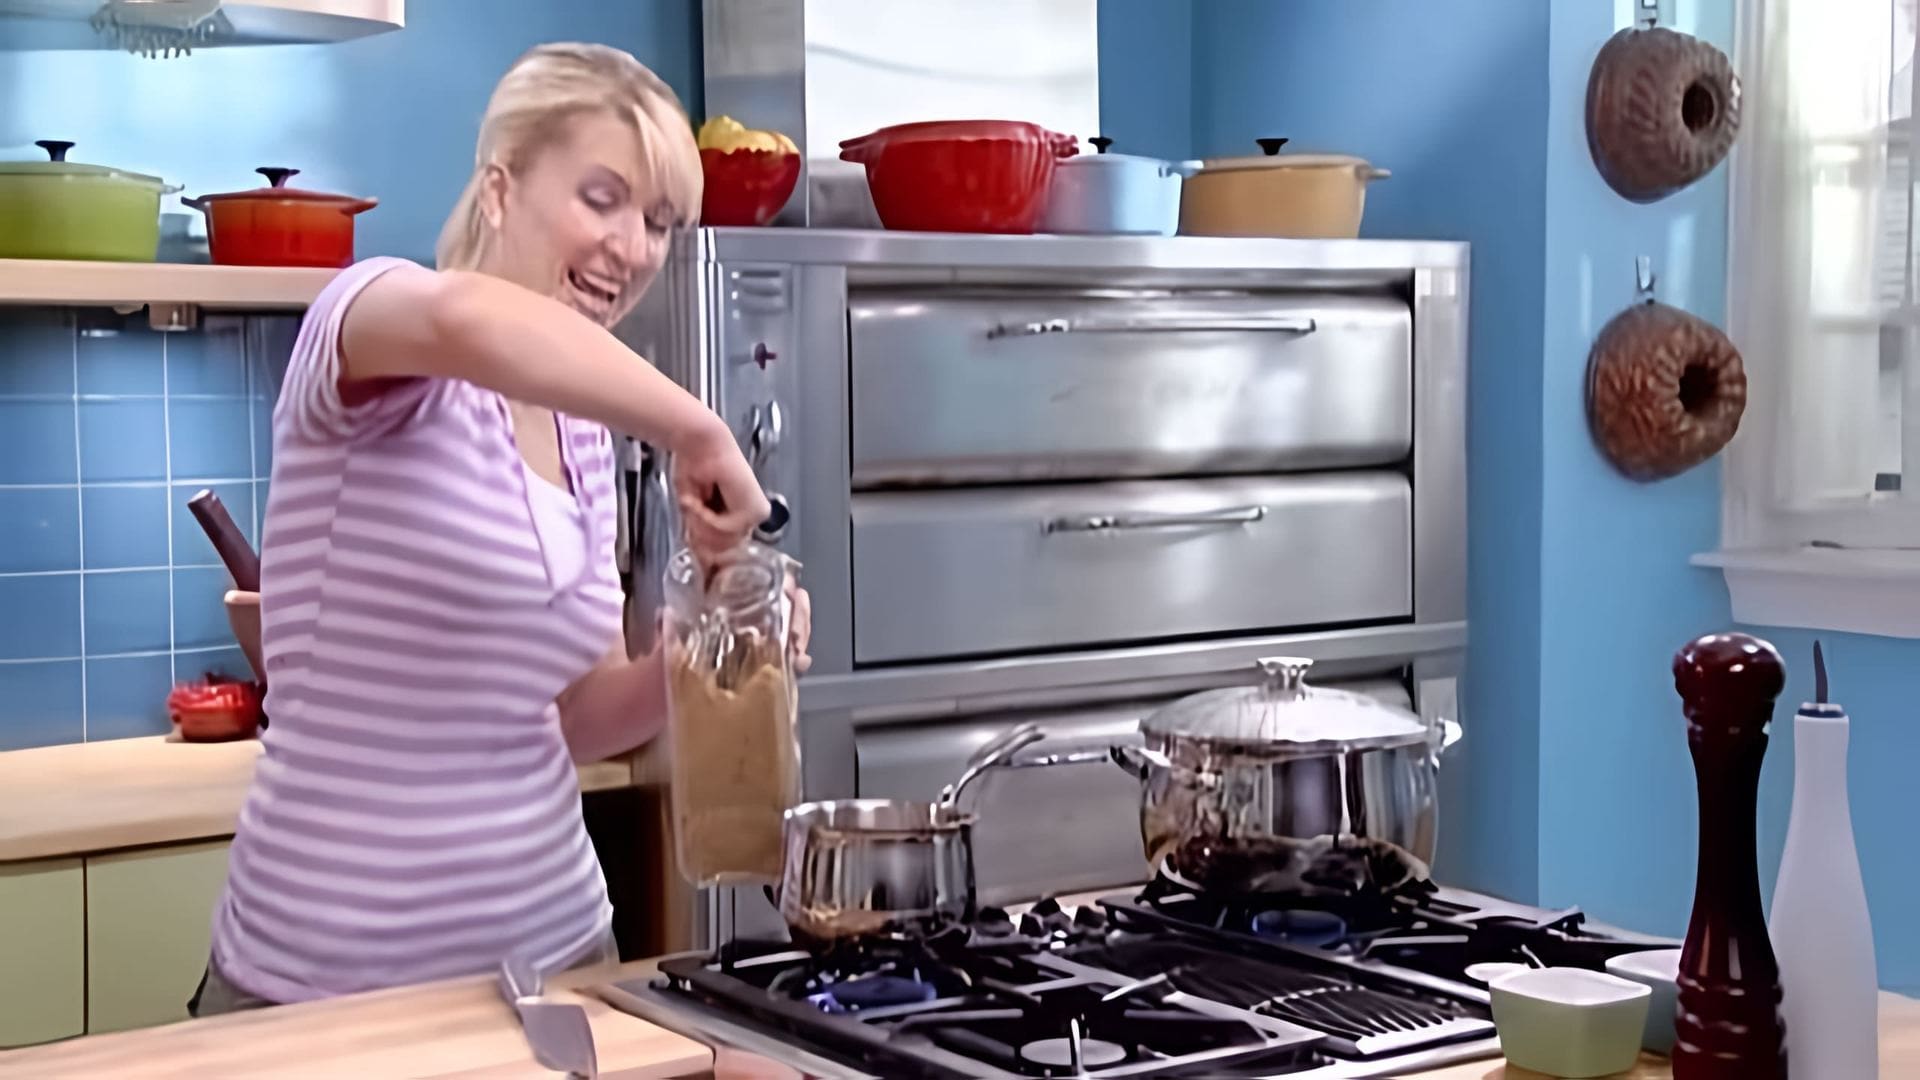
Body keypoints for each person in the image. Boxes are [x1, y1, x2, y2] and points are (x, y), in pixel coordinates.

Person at [188, 42, 809, 1015]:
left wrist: (701, 649)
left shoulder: (584, 430)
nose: (634, 249)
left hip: (559, 961)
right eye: (602, 200)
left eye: (658, 223)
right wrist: (695, 427)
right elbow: (468, 322)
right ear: (499, 187)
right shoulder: (373, 324)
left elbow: (577, 716)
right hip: (325, 990)